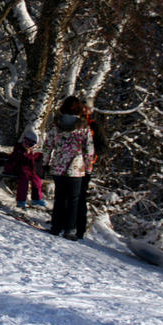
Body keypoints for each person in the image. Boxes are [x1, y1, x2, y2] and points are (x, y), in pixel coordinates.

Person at [42, 96, 94, 241]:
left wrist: (45, 163)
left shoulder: (55, 125)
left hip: (58, 166)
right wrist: (88, 168)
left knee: (59, 197)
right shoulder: (83, 128)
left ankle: (56, 226)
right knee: (74, 199)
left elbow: (48, 146)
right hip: (76, 168)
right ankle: (70, 229)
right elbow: (88, 150)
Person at [75, 108, 107, 240]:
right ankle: (65, 221)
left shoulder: (94, 126)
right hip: (69, 164)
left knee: (80, 196)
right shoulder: (72, 123)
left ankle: (80, 228)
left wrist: (90, 154)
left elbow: (103, 147)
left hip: (85, 166)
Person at [7, 131, 45, 209]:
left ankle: (36, 198)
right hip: (20, 170)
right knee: (23, 181)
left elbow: (37, 163)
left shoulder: (35, 152)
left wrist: (34, 155)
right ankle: (21, 200)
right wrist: (25, 154)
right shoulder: (19, 149)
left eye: (30, 145)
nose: (27, 146)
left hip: (31, 170)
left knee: (37, 180)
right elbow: (13, 160)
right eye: (26, 143)